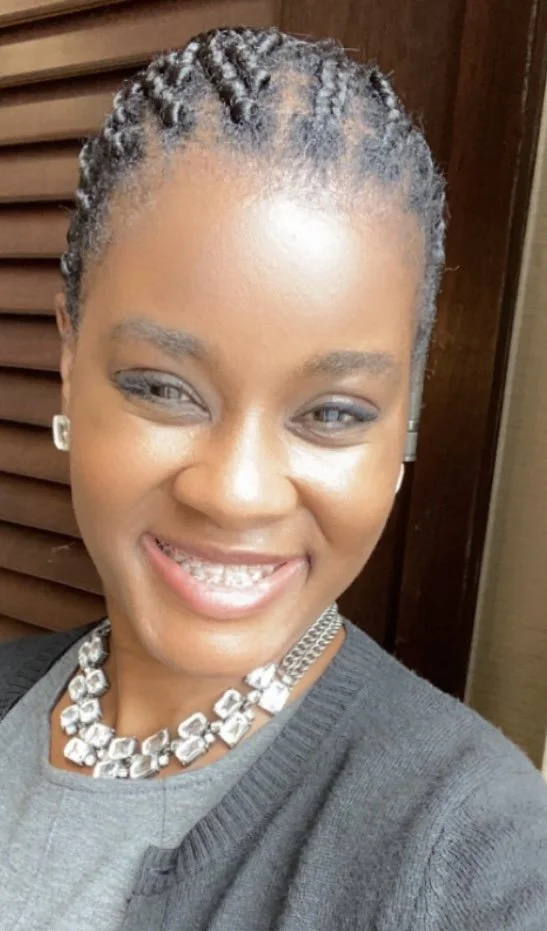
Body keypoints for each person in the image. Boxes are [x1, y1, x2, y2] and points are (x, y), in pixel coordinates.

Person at [0, 24, 546, 931]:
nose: (236, 491)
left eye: (332, 412)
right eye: (163, 389)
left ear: (403, 418)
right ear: (68, 362)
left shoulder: (471, 848)